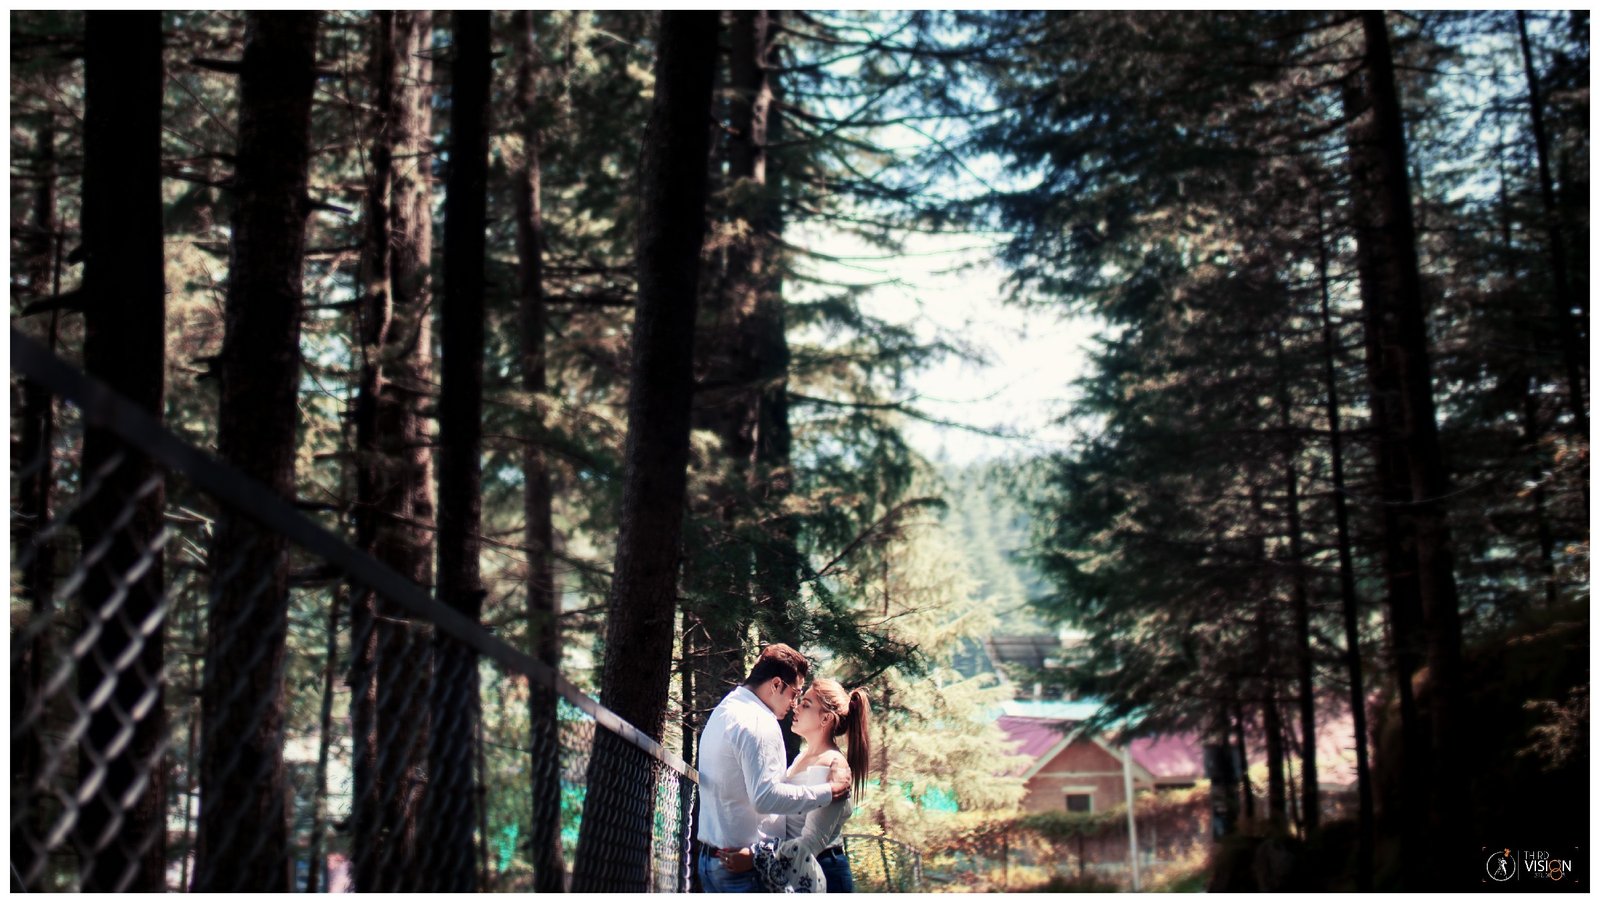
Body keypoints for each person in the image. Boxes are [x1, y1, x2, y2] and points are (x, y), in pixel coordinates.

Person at [696, 644, 850, 893]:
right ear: (776, 684)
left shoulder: (726, 709)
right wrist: (828, 792)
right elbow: (765, 798)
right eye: (795, 693)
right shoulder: (760, 722)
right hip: (742, 870)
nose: (795, 704)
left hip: (713, 861)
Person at [725, 678, 872, 893]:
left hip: (823, 872)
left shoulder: (833, 765)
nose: (797, 707)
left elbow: (811, 842)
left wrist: (756, 858)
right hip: (798, 868)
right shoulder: (803, 757)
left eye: (807, 704)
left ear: (826, 719)